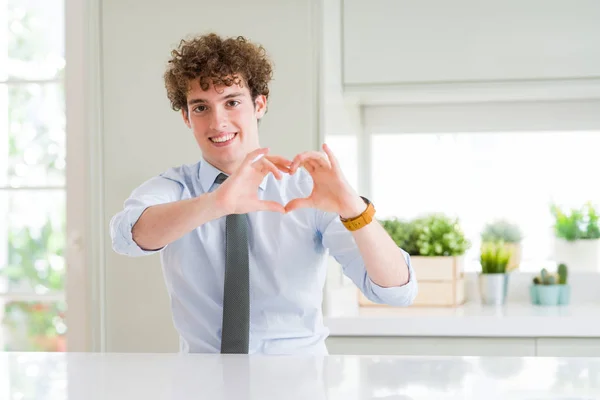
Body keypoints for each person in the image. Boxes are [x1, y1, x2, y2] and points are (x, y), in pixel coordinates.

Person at [109, 33, 417, 355]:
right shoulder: (176, 188)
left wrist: (352, 207)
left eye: (232, 102)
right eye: (201, 107)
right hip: (201, 383)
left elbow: (396, 293)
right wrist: (217, 203)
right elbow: (126, 237)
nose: (218, 122)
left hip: (298, 381)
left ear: (259, 104)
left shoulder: (306, 189)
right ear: (186, 117)